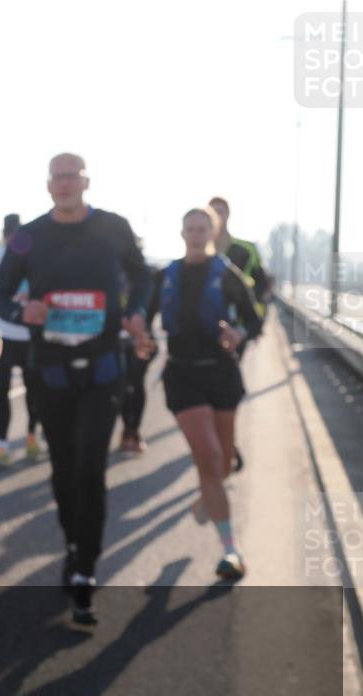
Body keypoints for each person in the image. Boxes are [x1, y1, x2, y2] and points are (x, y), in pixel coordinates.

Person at [0, 153, 152, 625]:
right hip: (52, 372)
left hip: (103, 370)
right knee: (63, 471)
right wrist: (24, 314)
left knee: (89, 467)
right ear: (48, 185)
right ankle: (74, 543)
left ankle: (85, 570)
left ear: (85, 181)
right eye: (57, 177)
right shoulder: (29, 237)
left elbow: (142, 275)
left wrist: (137, 309)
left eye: (71, 176)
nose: (64, 184)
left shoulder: (114, 228)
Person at [150, 207, 262, 580]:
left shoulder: (227, 274)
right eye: (190, 229)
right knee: (209, 456)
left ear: (213, 233)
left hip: (220, 372)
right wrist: (139, 336)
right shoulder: (166, 275)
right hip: (182, 372)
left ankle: (206, 500)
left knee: (225, 462)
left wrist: (238, 334)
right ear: (181, 232)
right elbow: (142, 315)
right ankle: (231, 550)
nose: (196, 234)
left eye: (203, 229)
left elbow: (253, 319)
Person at [208, 196, 267, 473]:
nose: (217, 216)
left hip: (237, 330)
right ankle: (217, 441)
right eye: (213, 212)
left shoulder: (245, 250)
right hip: (204, 330)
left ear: (228, 215)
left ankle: (227, 442)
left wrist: (250, 324)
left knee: (225, 386)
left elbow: (262, 284)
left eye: (221, 212)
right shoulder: (199, 248)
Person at [0, 213, 39, 467]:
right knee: (8, 390)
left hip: (26, 335)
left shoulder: (29, 255)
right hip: (5, 334)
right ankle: (9, 443)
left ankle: (29, 438)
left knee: (30, 391)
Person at [117, 264, 162, 454]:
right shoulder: (105, 268)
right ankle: (127, 430)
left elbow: (156, 307)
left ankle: (132, 432)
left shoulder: (148, 275)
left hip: (142, 340)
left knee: (134, 383)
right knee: (121, 386)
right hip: (113, 342)